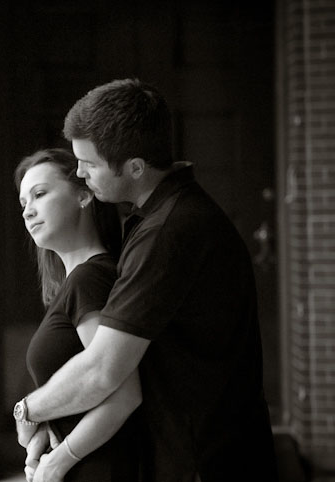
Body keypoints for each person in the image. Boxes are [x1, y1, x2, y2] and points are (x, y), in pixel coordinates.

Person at [14, 79, 278, 482]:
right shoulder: (152, 220)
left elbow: (104, 370)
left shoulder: (167, 230)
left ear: (135, 167)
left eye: (90, 164)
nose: (81, 174)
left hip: (205, 462)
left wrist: (29, 410)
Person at [14, 148, 142, 482]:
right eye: (23, 202)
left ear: (84, 195)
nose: (28, 212)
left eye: (40, 194)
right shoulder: (75, 284)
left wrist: (57, 463)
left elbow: (125, 393)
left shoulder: (91, 279)